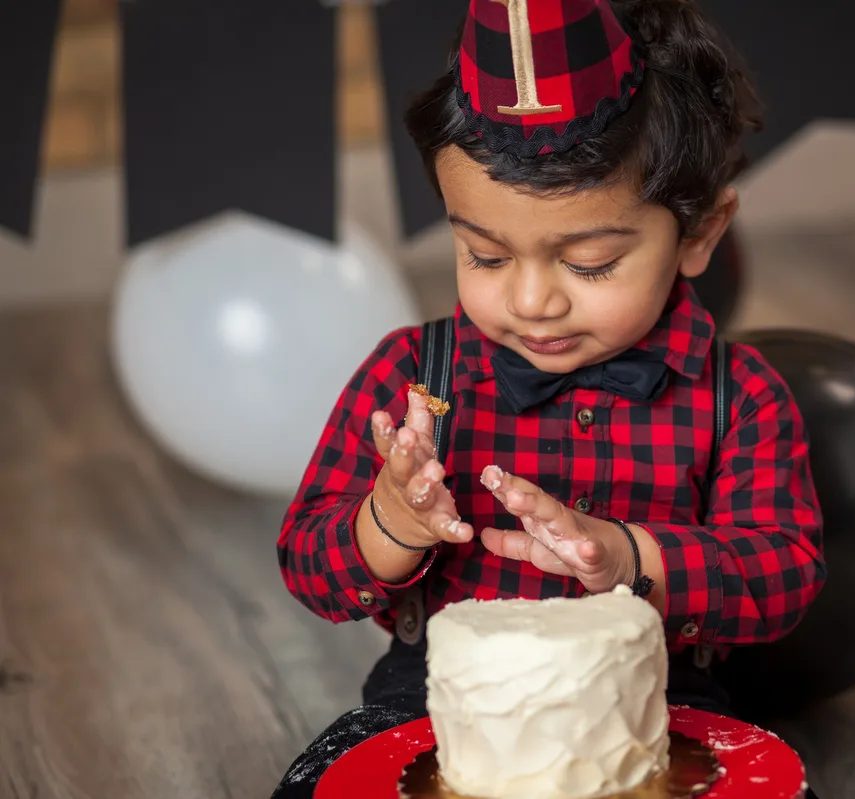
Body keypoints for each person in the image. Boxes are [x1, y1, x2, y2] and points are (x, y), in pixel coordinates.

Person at [271, 0, 825, 795]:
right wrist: (392, 518)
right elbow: (308, 564)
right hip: (436, 711)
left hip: (658, 709)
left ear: (701, 232)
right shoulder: (413, 374)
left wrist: (632, 557)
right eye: (485, 255)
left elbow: (783, 573)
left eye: (591, 262)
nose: (532, 301)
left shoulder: (739, 397)